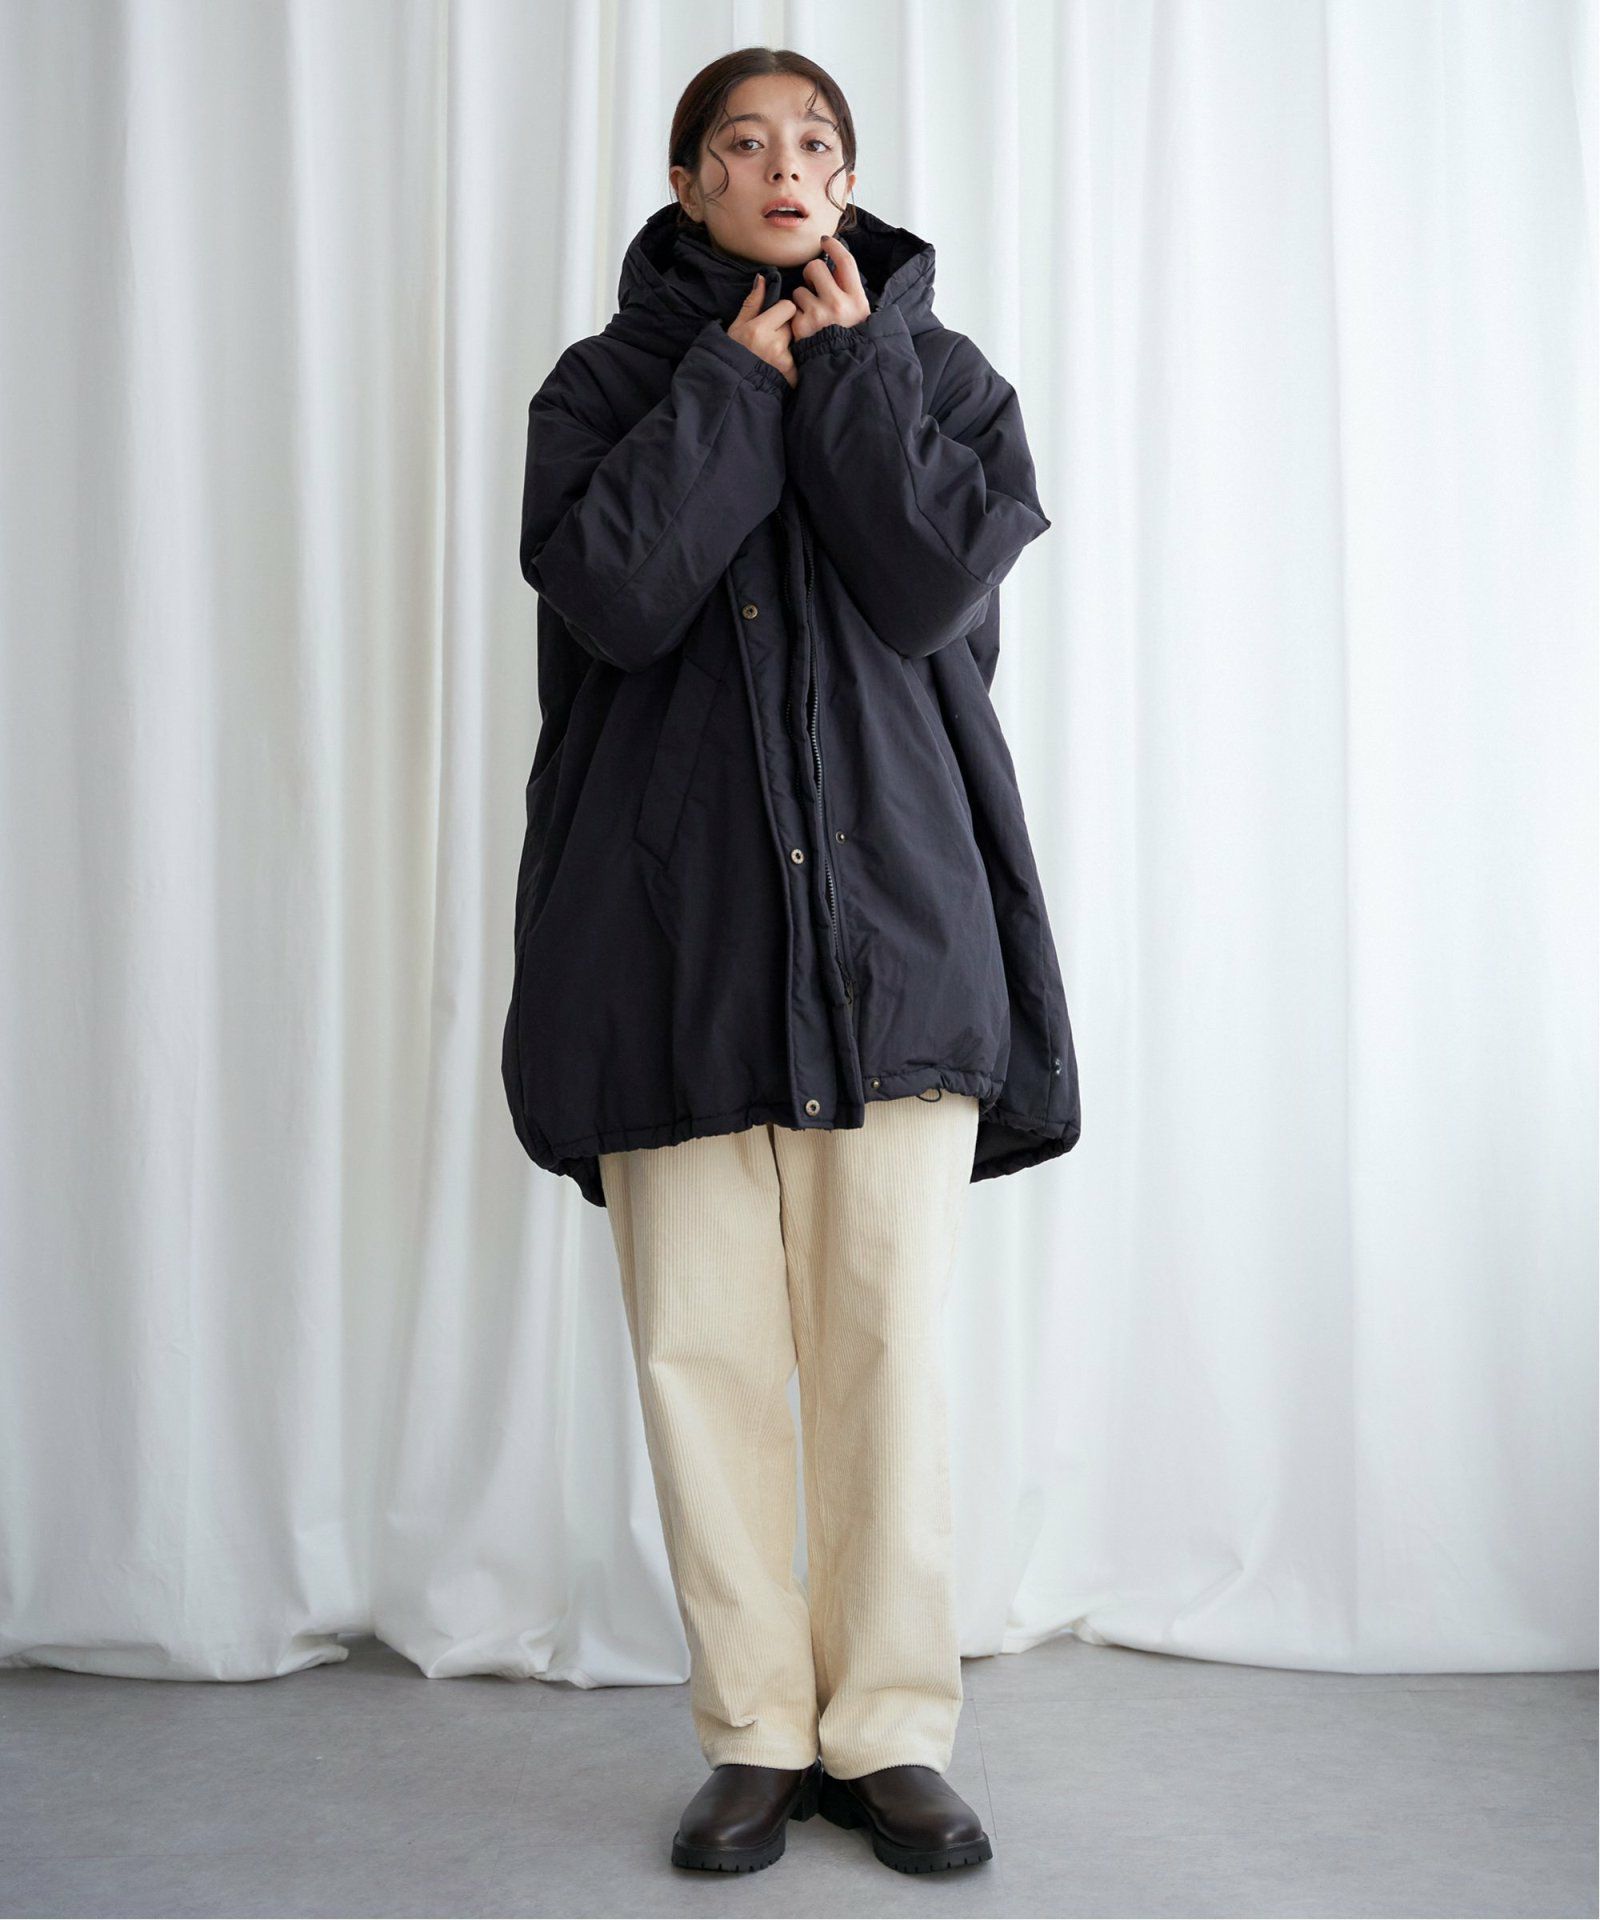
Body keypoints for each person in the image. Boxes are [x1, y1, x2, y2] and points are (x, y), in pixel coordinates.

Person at [503, 46, 1080, 1877]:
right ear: (688, 183)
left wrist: (846, 377)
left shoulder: (942, 378)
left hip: (893, 932)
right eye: (741, 143)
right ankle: (754, 1732)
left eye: (813, 143)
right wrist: (728, 392)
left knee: (888, 1351)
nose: (782, 167)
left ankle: (890, 1730)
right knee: (702, 1352)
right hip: (664, 936)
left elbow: (930, 587)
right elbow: (616, 593)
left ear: (847, 177)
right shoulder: (607, 387)